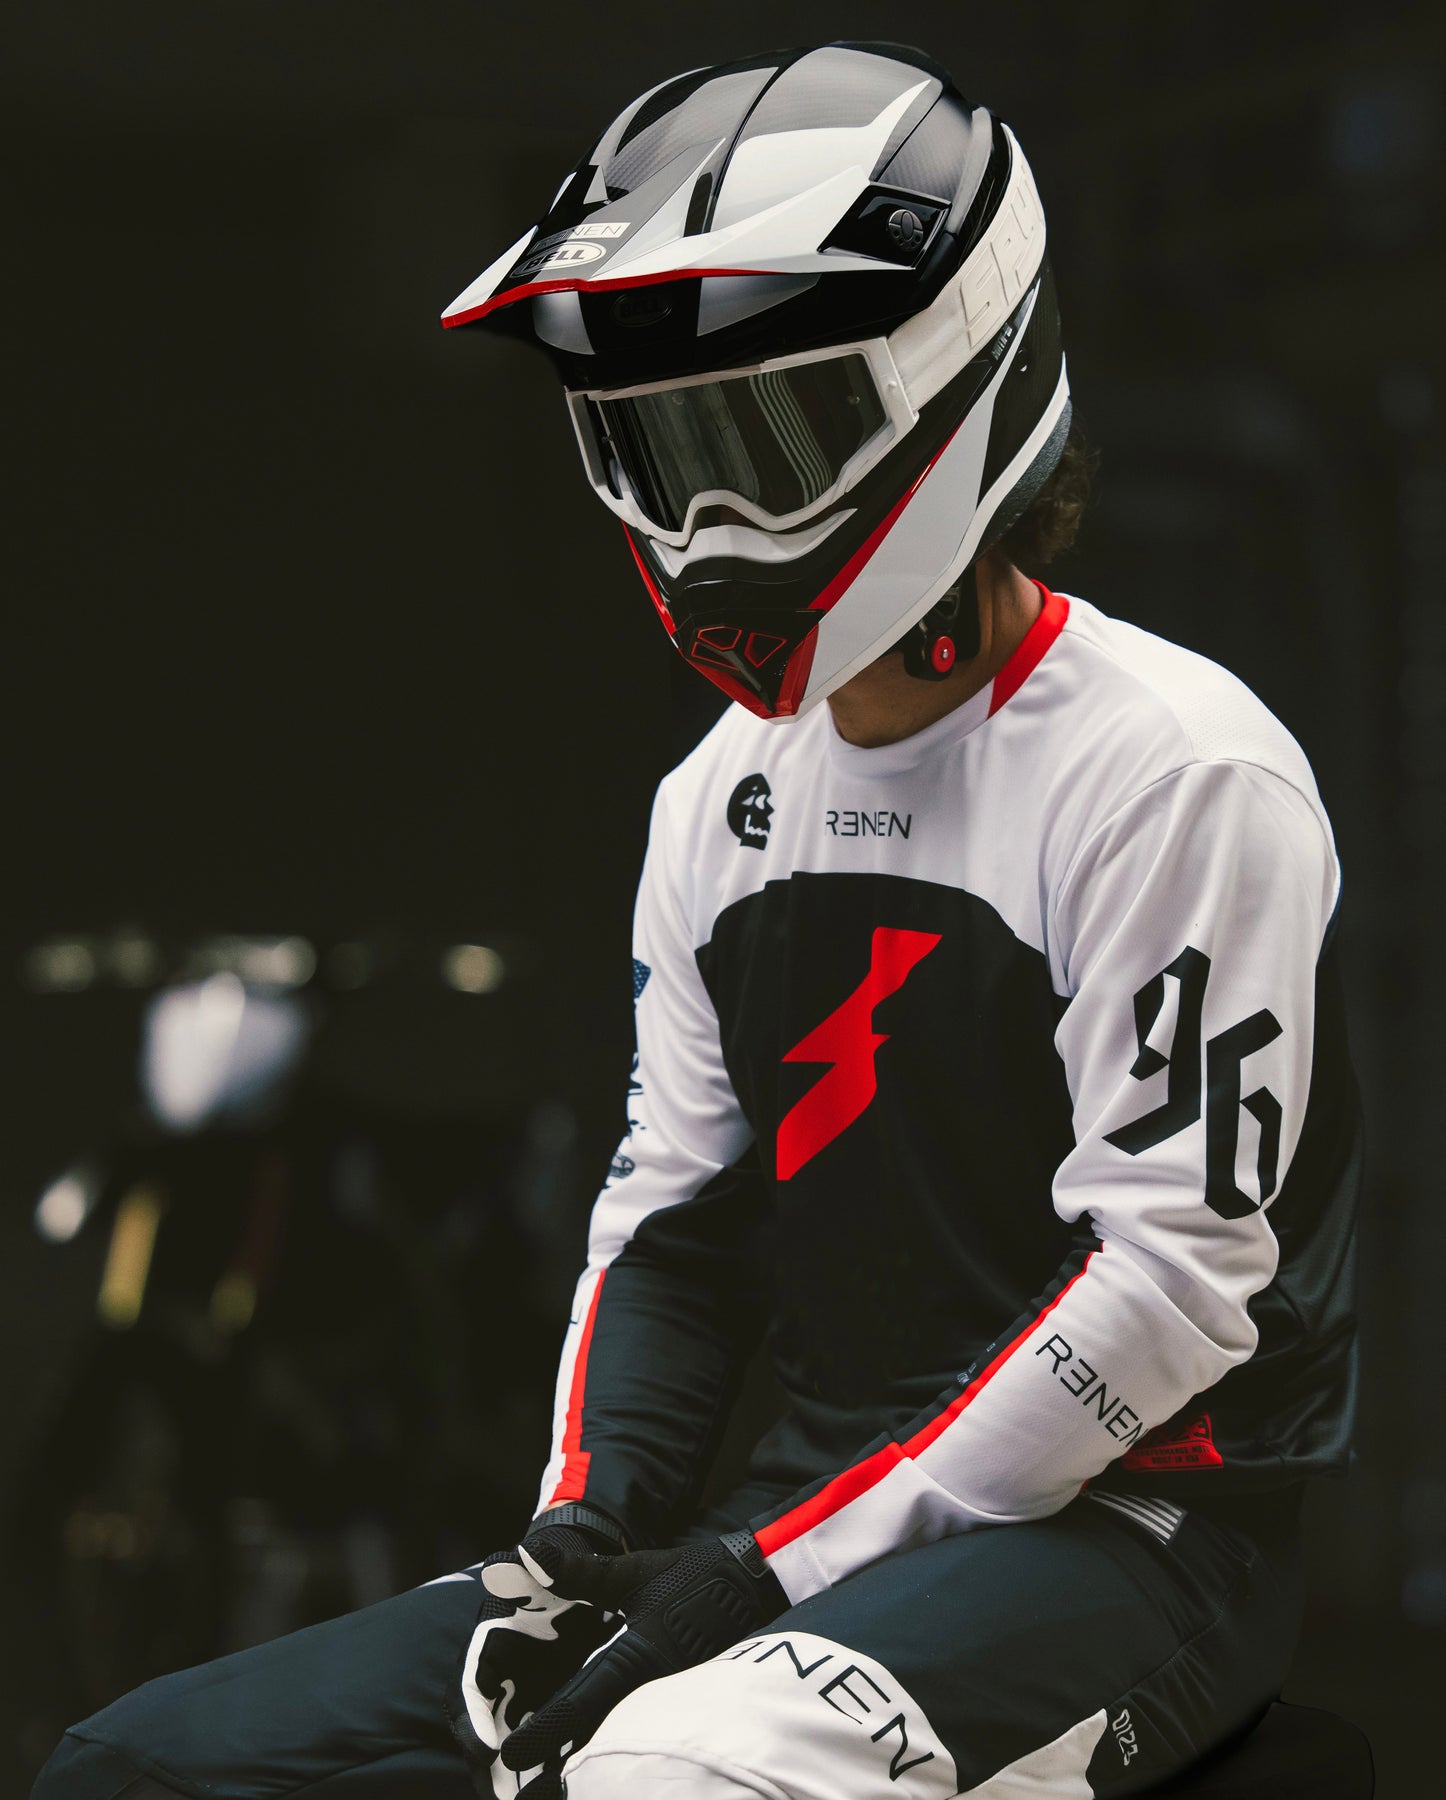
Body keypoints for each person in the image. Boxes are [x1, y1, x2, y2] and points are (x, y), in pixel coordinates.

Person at [35, 41, 1360, 1800]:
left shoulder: (1173, 769)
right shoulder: (718, 798)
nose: (703, 517)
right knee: (139, 1764)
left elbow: (1173, 1292)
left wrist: (762, 1571)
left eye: (762, 436)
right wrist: (587, 1535)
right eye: (657, 446)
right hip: (805, 1521)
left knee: (664, 1778)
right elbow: (674, 1218)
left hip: (1138, 1535)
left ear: (954, 385)